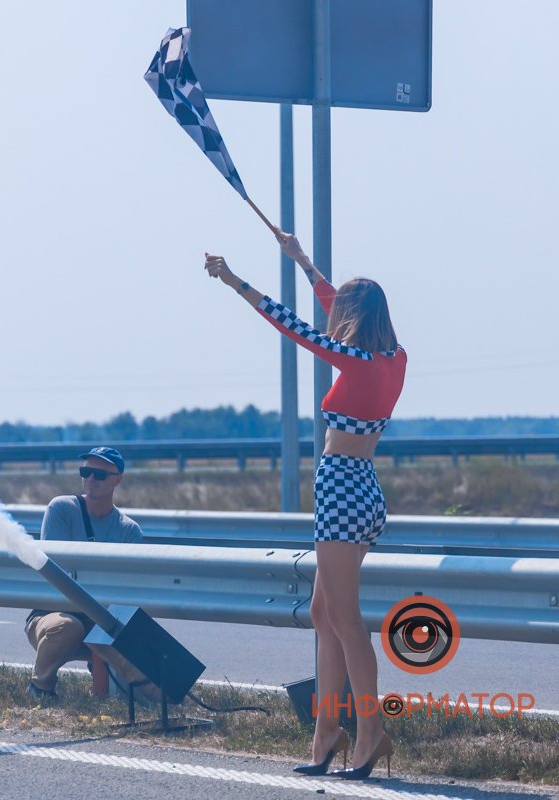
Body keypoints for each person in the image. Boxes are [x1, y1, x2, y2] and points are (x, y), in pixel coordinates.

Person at [204, 231, 405, 780]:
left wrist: (234, 281)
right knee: (324, 614)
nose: (335, 314)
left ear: (355, 317)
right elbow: (333, 306)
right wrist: (303, 262)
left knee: (345, 618)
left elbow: (292, 325)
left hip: (341, 487)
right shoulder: (394, 359)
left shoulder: (356, 362)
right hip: (364, 487)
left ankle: (371, 732)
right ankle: (327, 731)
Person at [24, 446, 142, 700]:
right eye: (85, 472)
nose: (90, 479)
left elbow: (127, 588)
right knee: (67, 626)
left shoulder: (129, 530)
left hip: (101, 618)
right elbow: (57, 573)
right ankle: (40, 688)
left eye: (100, 475)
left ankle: (107, 693)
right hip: (52, 614)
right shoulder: (61, 508)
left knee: (127, 632)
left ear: (117, 480)